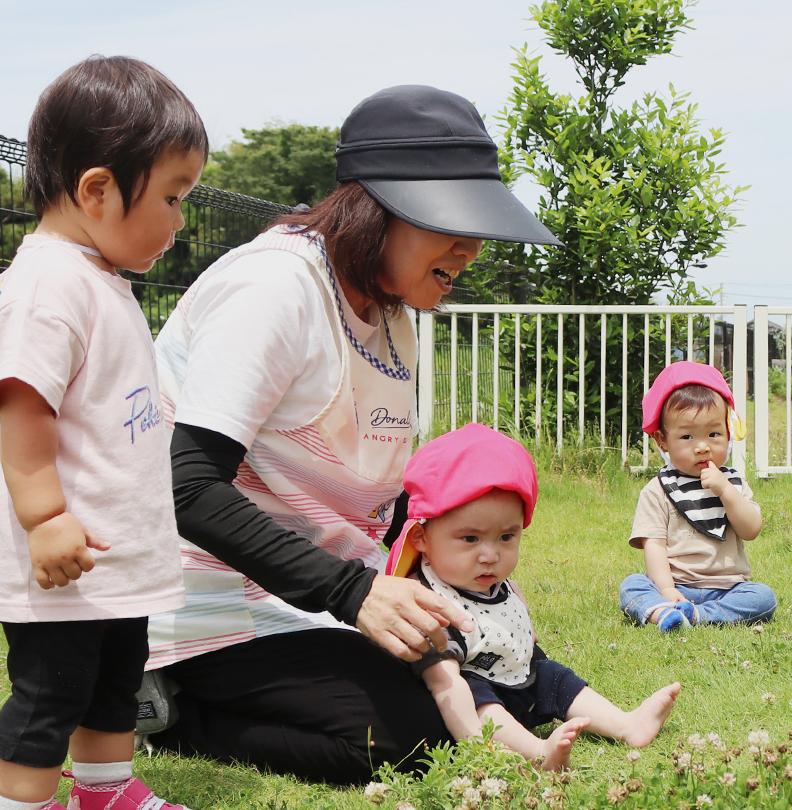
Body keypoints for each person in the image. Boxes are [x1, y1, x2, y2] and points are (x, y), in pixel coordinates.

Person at [142, 86, 563, 784]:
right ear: (376, 210)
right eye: (451, 225)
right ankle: (171, 710)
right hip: (206, 600)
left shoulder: (391, 313)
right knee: (417, 732)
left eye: (477, 227)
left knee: (490, 683)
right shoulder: (276, 291)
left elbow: (378, 496)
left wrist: (433, 591)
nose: (471, 249)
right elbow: (182, 483)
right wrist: (353, 594)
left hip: (313, 595)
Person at [0, 56, 205, 810]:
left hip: (110, 556)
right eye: (171, 197)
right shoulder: (46, 287)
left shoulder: (101, 278)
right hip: (61, 558)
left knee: (115, 682)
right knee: (50, 694)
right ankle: (19, 801)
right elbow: (24, 406)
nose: (180, 218)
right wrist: (46, 516)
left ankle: (106, 789)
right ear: (98, 190)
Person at [395, 424, 682, 771]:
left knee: (557, 678)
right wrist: (475, 744)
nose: (490, 554)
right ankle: (536, 752)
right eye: (470, 539)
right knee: (476, 697)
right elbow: (445, 685)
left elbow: (513, 618)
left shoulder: (485, 580)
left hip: (521, 680)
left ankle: (626, 725)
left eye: (505, 537)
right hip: (475, 702)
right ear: (422, 538)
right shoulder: (428, 603)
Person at [619, 362, 777, 631]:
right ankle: (664, 611)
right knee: (632, 585)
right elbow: (654, 546)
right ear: (662, 440)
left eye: (714, 434)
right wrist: (667, 589)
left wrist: (726, 491)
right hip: (676, 586)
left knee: (763, 598)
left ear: (729, 432)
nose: (702, 446)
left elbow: (751, 530)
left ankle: (697, 615)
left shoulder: (733, 483)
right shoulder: (658, 490)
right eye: (687, 436)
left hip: (727, 588)